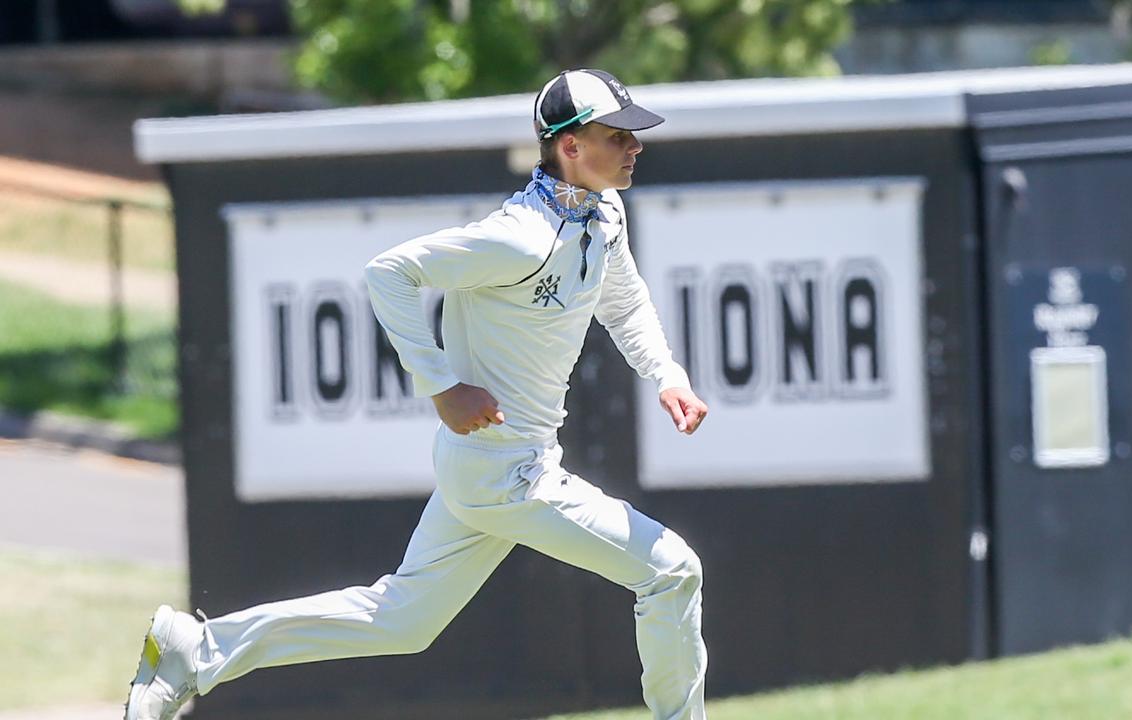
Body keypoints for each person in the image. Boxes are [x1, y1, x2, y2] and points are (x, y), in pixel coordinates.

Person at [125, 68, 710, 720]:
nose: (634, 147)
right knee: (671, 570)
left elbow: (624, 304)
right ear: (570, 147)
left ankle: (193, 650)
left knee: (400, 621)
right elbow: (390, 273)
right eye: (617, 136)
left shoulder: (603, 213)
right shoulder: (517, 236)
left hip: (498, 464)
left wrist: (668, 375)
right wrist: (440, 386)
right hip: (505, 472)